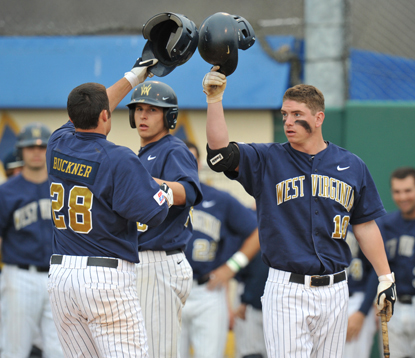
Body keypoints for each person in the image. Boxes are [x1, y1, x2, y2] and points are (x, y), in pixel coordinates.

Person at [202, 66, 396, 358]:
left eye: (296, 115)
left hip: (335, 288)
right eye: (284, 115)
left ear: (318, 118)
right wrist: (214, 101)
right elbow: (220, 155)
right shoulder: (267, 158)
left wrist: (385, 278)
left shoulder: (352, 165)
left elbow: (365, 225)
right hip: (287, 288)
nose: (288, 122)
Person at [46, 57, 172, 357]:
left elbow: (98, 108)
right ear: (105, 115)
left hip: (61, 276)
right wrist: (161, 189)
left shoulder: (57, 142)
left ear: (72, 115)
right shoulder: (119, 157)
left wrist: (133, 77)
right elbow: (156, 213)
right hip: (104, 278)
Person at [127, 81, 203, 358]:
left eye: (153, 110)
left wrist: (148, 184)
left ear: (169, 116)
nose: (143, 115)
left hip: (158, 262)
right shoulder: (143, 154)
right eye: (139, 109)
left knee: (157, 352)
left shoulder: (173, 149)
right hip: (142, 262)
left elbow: (189, 191)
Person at [180, 141, 260, 358]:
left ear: (198, 163)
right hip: (172, 289)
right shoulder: (159, 197)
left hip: (207, 291)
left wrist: (232, 267)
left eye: (191, 159)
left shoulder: (219, 199)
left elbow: (257, 233)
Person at [0, 123, 63, 358]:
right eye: (30, 147)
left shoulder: (63, 187)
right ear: (20, 151)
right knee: (15, 348)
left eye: (42, 147)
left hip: (59, 277)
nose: (36, 152)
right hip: (20, 276)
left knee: (60, 350)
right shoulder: (6, 192)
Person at [375, 166, 415, 358]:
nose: (403, 197)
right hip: (395, 307)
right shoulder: (386, 224)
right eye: (397, 192)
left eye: (408, 190)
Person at [343, 228, 378, 358]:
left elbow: (376, 268)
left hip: (356, 300)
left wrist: (362, 311)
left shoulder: (363, 221)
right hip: (324, 299)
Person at [232, 250, 268, 358]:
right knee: (250, 353)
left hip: (279, 305)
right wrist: (244, 299)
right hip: (250, 303)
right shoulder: (253, 238)